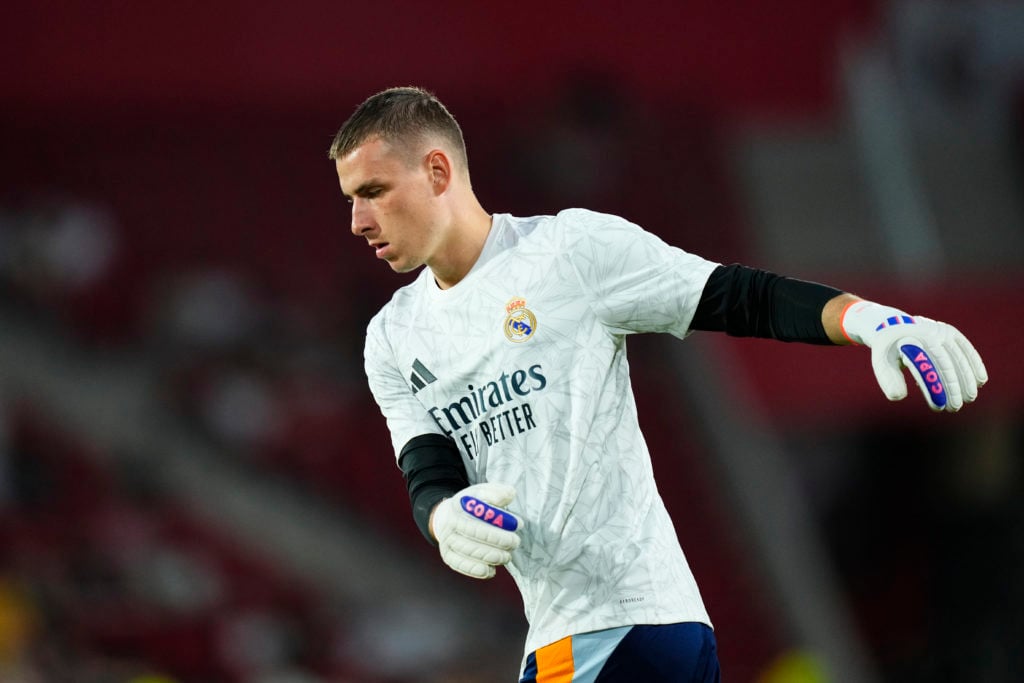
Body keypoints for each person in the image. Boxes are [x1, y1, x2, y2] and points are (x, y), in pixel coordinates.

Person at [327, 87, 987, 683]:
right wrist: (443, 516)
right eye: (350, 200)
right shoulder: (393, 336)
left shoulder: (569, 253)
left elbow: (736, 296)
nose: (357, 221)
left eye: (374, 191)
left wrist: (868, 319)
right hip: (568, 633)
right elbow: (428, 470)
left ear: (438, 171)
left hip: (623, 622)